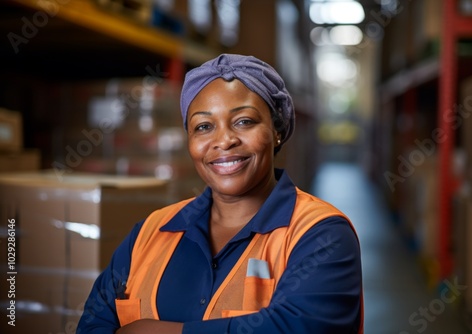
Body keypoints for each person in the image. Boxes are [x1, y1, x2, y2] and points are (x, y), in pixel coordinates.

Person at [77, 53, 363, 334]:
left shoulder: (321, 234)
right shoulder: (151, 232)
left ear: (277, 130)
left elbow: (299, 327)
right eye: (203, 127)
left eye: (244, 121)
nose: (224, 140)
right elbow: (92, 324)